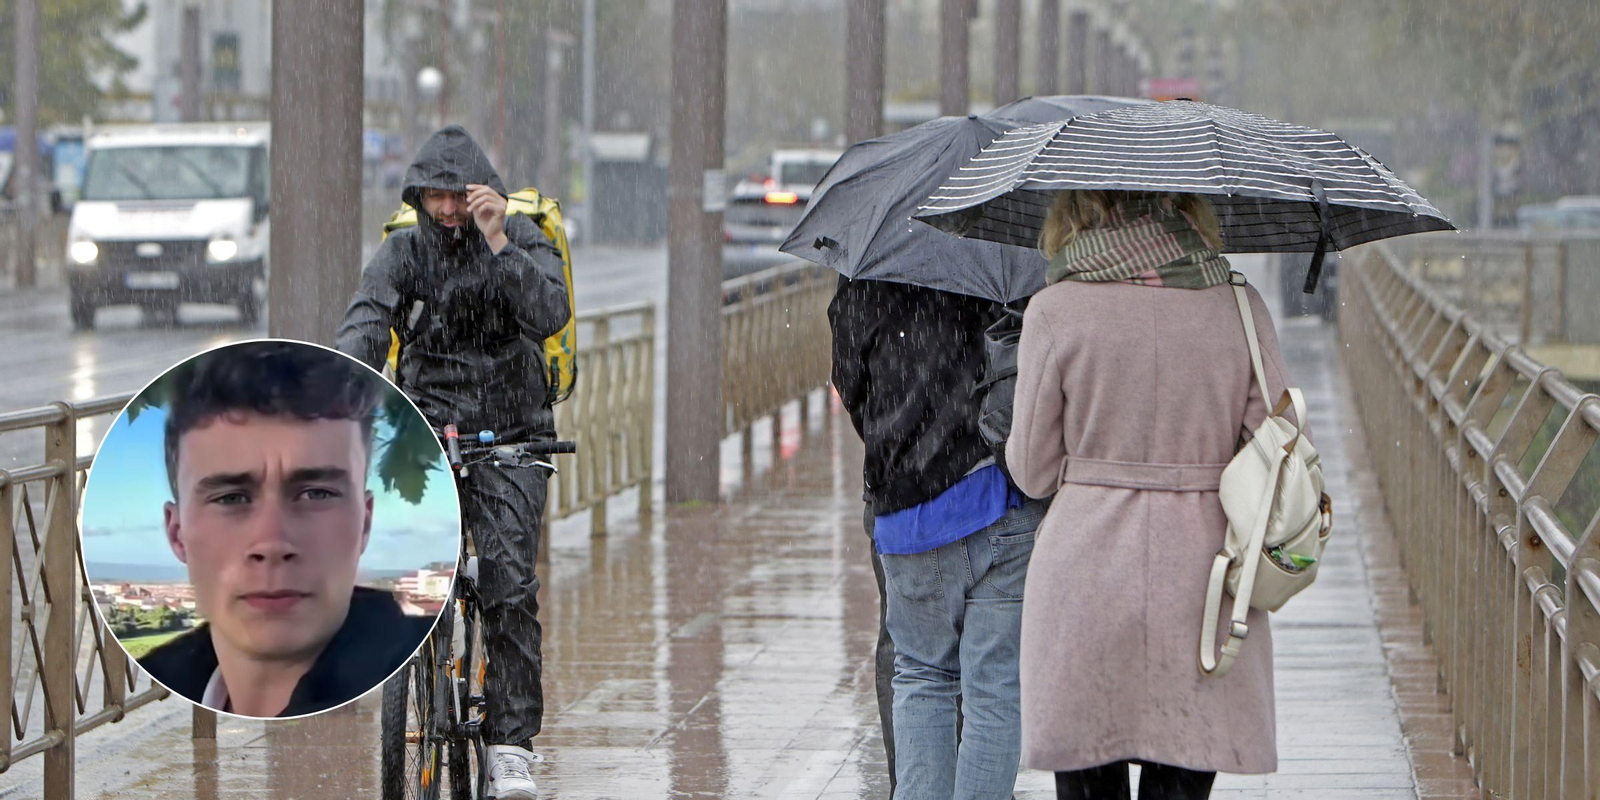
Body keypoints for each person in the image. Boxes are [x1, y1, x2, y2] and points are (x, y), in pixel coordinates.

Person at [1007, 191, 1301, 800]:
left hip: (1084, 573)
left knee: (1088, 773)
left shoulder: (1055, 310)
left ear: (1078, 209)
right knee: (1184, 772)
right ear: (1188, 207)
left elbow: (1033, 472)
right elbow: (1280, 448)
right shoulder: (1238, 307)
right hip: (1203, 575)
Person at [337, 125, 570, 800]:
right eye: (435, 197)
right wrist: (339, 375)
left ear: (482, 195)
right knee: (401, 570)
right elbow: (367, 317)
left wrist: (499, 241)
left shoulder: (521, 239)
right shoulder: (402, 251)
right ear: (418, 197)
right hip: (428, 424)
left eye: (458, 197)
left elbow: (548, 311)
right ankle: (418, 668)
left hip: (514, 431)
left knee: (509, 584)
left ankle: (511, 743)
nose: (447, 211)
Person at [830, 276, 1048, 798]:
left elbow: (850, 383)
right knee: (994, 688)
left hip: (908, 509)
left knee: (923, 676)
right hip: (1001, 494)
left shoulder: (871, 270)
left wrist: (899, 443)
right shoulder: (1007, 261)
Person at [140, 341, 435, 718]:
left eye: (315, 493)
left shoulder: (410, 658)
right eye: (231, 498)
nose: (272, 542)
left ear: (364, 521)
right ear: (177, 533)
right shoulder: (168, 672)